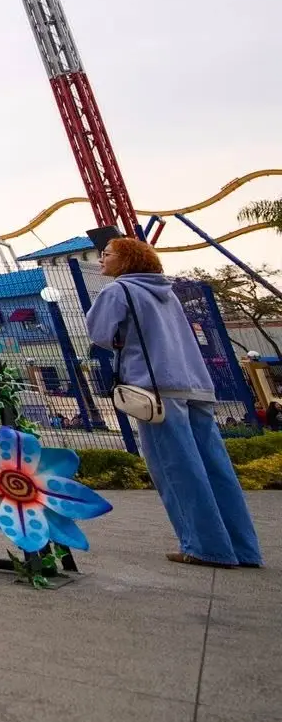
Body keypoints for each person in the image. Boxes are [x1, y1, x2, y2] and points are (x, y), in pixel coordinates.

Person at [87, 236, 263, 568]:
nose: (101, 261)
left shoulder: (118, 291)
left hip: (156, 388)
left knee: (176, 469)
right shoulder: (168, 294)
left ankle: (205, 547)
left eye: (106, 255)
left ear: (125, 261)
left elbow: (100, 334)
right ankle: (244, 548)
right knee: (216, 469)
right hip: (195, 385)